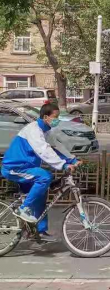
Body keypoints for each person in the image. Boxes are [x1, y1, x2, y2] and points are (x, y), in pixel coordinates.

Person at [1, 102, 80, 242]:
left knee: (40, 197)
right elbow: (44, 150)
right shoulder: (34, 130)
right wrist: (63, 165)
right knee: (45, 177)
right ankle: (24, 209)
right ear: (45, 117)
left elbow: (55, 147)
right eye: (55, 117)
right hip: (15, 168)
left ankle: (39, 231)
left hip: (27, 168)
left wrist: (72, 160)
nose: (57, 120)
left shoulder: (46, 131)